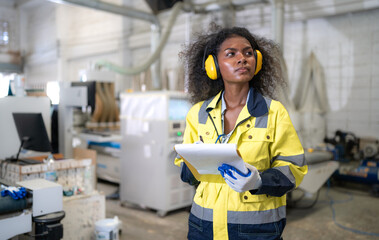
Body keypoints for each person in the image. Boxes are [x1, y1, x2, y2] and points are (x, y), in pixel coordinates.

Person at [174, 25, 308, 240]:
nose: (242, 59)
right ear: (212, 65)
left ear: (258, 62)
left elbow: (295, 169)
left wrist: (259, 181)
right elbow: (185, 171)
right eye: (231, 54)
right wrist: (193, 162)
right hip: (203, 226)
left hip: (256, 231)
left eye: (248, 53)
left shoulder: (273, 112)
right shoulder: (198, 114)